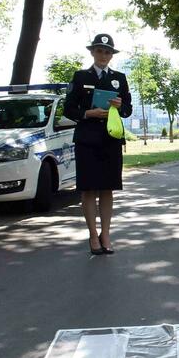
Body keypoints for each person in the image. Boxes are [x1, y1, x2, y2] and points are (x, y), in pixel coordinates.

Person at [64, 34, 132, 255]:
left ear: (112, 55)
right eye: (100, 51)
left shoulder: (120, 78)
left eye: (108, 52)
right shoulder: (80, 76)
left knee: (107, 188)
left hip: (110, 139)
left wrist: (120, 105)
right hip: (87, 139)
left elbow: (128, 110)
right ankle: (93, 235)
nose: (104, 55)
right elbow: (68, 109)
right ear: (92, 52)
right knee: (89, 188)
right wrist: (87, 113)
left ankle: (106, 234)